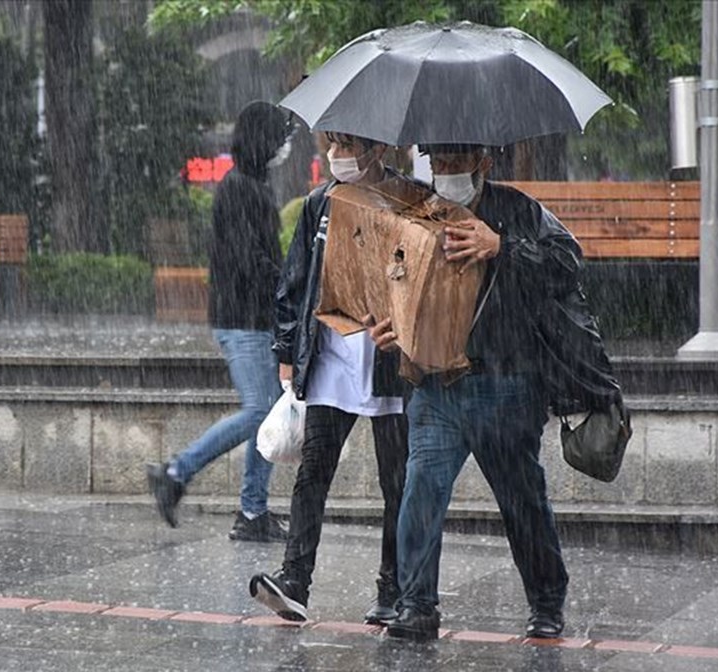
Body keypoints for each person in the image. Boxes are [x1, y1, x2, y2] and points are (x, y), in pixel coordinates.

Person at [367, 142, 581, 641]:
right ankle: (417, 603)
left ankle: (546, 601)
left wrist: (501, 246)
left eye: (456, 161)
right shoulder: (415, 214)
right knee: (419, 492)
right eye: (437, 161)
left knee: (521, 497)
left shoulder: (516, 210)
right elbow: (389, 282)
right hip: (435, 385)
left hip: (503, 381)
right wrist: (386, 327)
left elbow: (568, 262)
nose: (445, 171)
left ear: (483, 162)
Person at [248, 131, 415, 625]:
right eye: (333, 147)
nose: (339, 157)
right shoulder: (319, 205)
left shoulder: (409, 203)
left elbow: (423, 277)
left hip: (389, 361)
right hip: (330, 359)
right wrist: (286, 350)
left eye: (349, 147)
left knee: (398, 482)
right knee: (313, 471)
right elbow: (294, 280)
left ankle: (393, 587)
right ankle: (294, 580)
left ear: (378, 150)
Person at [145, 101, 293, 542]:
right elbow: (250, 259)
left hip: (256, 317)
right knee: (259, 413)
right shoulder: (239, 188)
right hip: (243, 320)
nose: (284, 148)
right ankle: (176, 471)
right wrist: (288, 283)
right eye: (279, 139)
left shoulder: (252, 185)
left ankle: (252, 513)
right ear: (263, 140)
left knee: (266, 417)